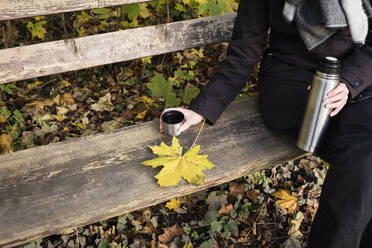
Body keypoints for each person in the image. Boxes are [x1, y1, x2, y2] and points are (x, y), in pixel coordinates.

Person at [160, 0, 372, 247]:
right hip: (293, 80)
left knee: (364, 160)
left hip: (355, 79)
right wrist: (201, 108)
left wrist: (349, 81)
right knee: (362, 162)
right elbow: (244, 50)